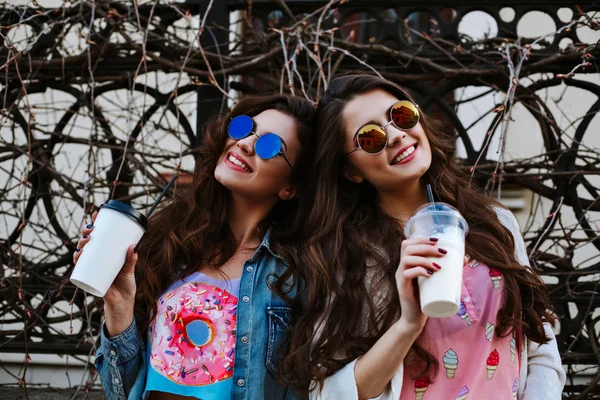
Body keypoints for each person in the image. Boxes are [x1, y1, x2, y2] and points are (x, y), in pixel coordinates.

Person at [280, 75, 565, 399]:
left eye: (400, 115)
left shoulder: (495, 222)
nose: (397, 136)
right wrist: (407, 324)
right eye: (371, 137)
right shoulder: (348, 253)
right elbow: (330, 391)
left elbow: (539, 342)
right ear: (351, 170)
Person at [73, 94, 315, 400]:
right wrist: (118, 307)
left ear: (290, 187)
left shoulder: (295, 274)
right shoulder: (169, 241)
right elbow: (121, 392)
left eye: (269, 146)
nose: (245, 144)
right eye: (243, 128)